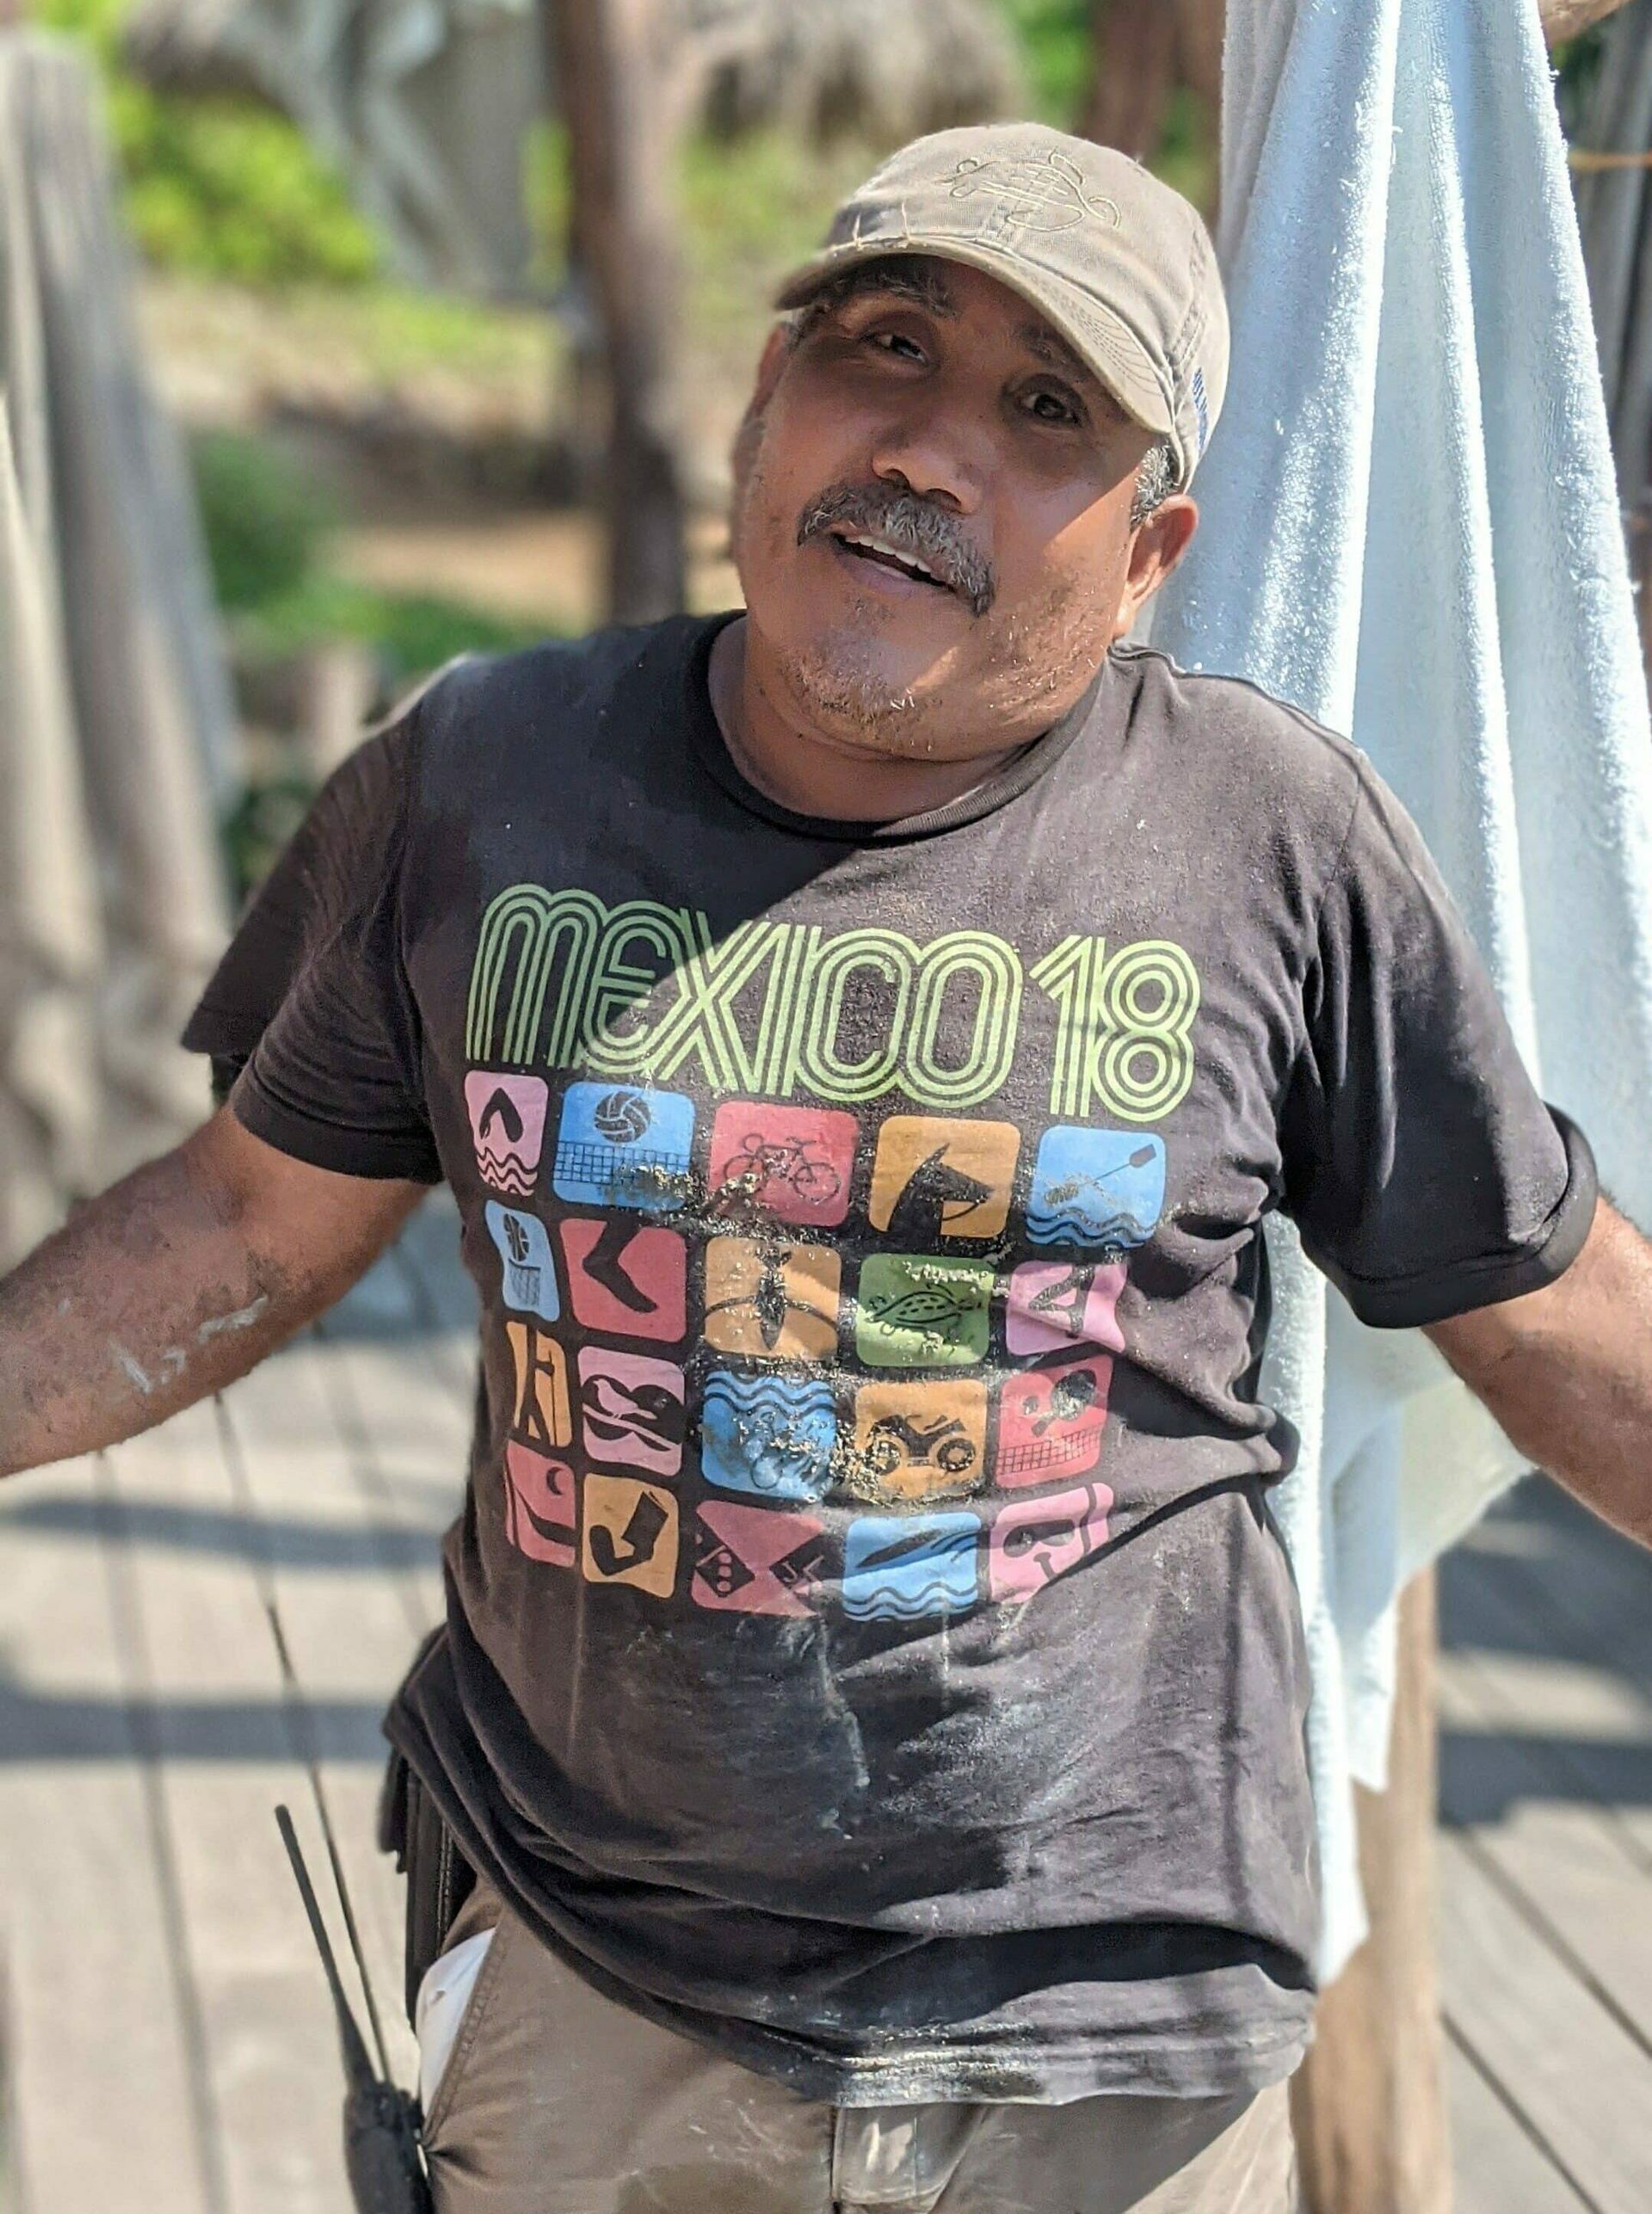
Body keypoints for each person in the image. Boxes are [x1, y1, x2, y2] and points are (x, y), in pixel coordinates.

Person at [3, 120, 1651, 2214]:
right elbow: (243, 1219)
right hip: (601, 1976)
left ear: (1152, 552)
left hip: (1109, 2034)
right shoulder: (482, 779)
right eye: (885, 346)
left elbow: (1551, 1296)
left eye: (1047, 409)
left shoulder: (1268, 840)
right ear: (764, 408)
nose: (935, 453)